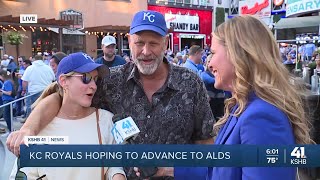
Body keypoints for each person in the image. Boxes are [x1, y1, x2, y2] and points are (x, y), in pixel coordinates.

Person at [7, 10, 215, 180]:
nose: (145, 51)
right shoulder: (111, 81)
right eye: (140, 43)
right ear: (129, 41)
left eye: (153, 43)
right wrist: (28, 129)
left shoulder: (190, 82)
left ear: (166, 44)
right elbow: (60, 96)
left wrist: (176, 168)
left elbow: (205, 140)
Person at [204, 15, 312, 180]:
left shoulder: (260, 116)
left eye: (213, 53)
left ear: (237, 55)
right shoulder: (242, 106)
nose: (209, 63)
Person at [9, 52, 125, 180]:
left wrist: (117, 175)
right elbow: (25, 173)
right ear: (64, 81)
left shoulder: (107, 120)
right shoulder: (38, 127)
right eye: (86, 78)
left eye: (96, 79)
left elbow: (114, 164)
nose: (93, 86)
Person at [0, 70, 16, 137]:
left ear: (3, 75)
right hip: (6, 100)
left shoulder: (7, 82)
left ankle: (11, 130)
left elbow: (9, 92)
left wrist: (2, 91)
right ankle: (10, 130)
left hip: (8, 101)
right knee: (7, 116)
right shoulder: (7, 82)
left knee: (7, 116)